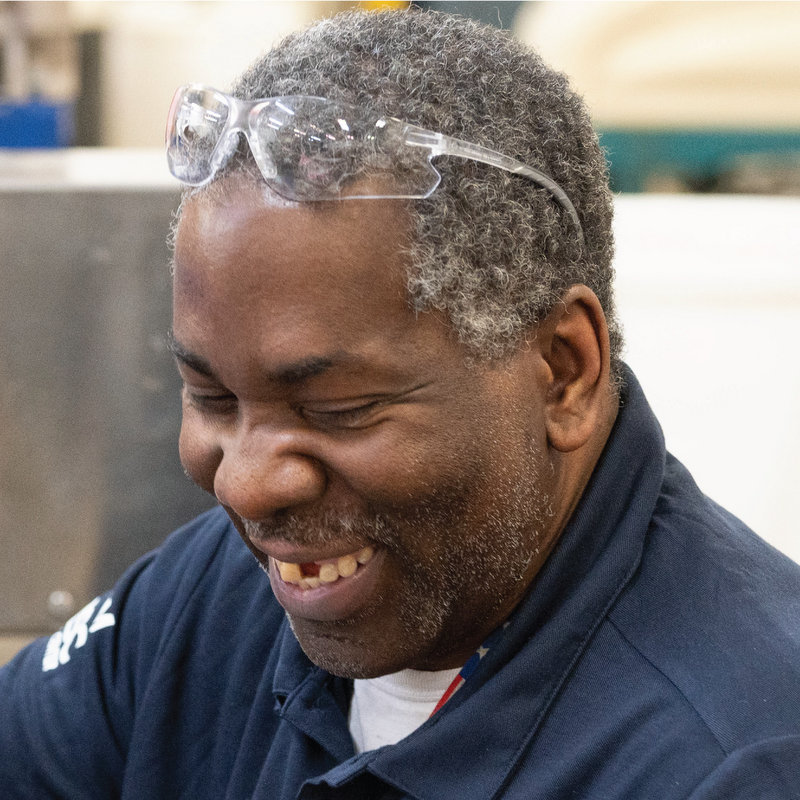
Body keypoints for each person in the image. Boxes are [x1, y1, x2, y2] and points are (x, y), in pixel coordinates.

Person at [2, 10, 799, 799]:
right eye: (212, 397)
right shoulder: (216, 601)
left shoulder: (731, 759)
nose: (245, 487)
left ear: (563, 371)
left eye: (337, 409)